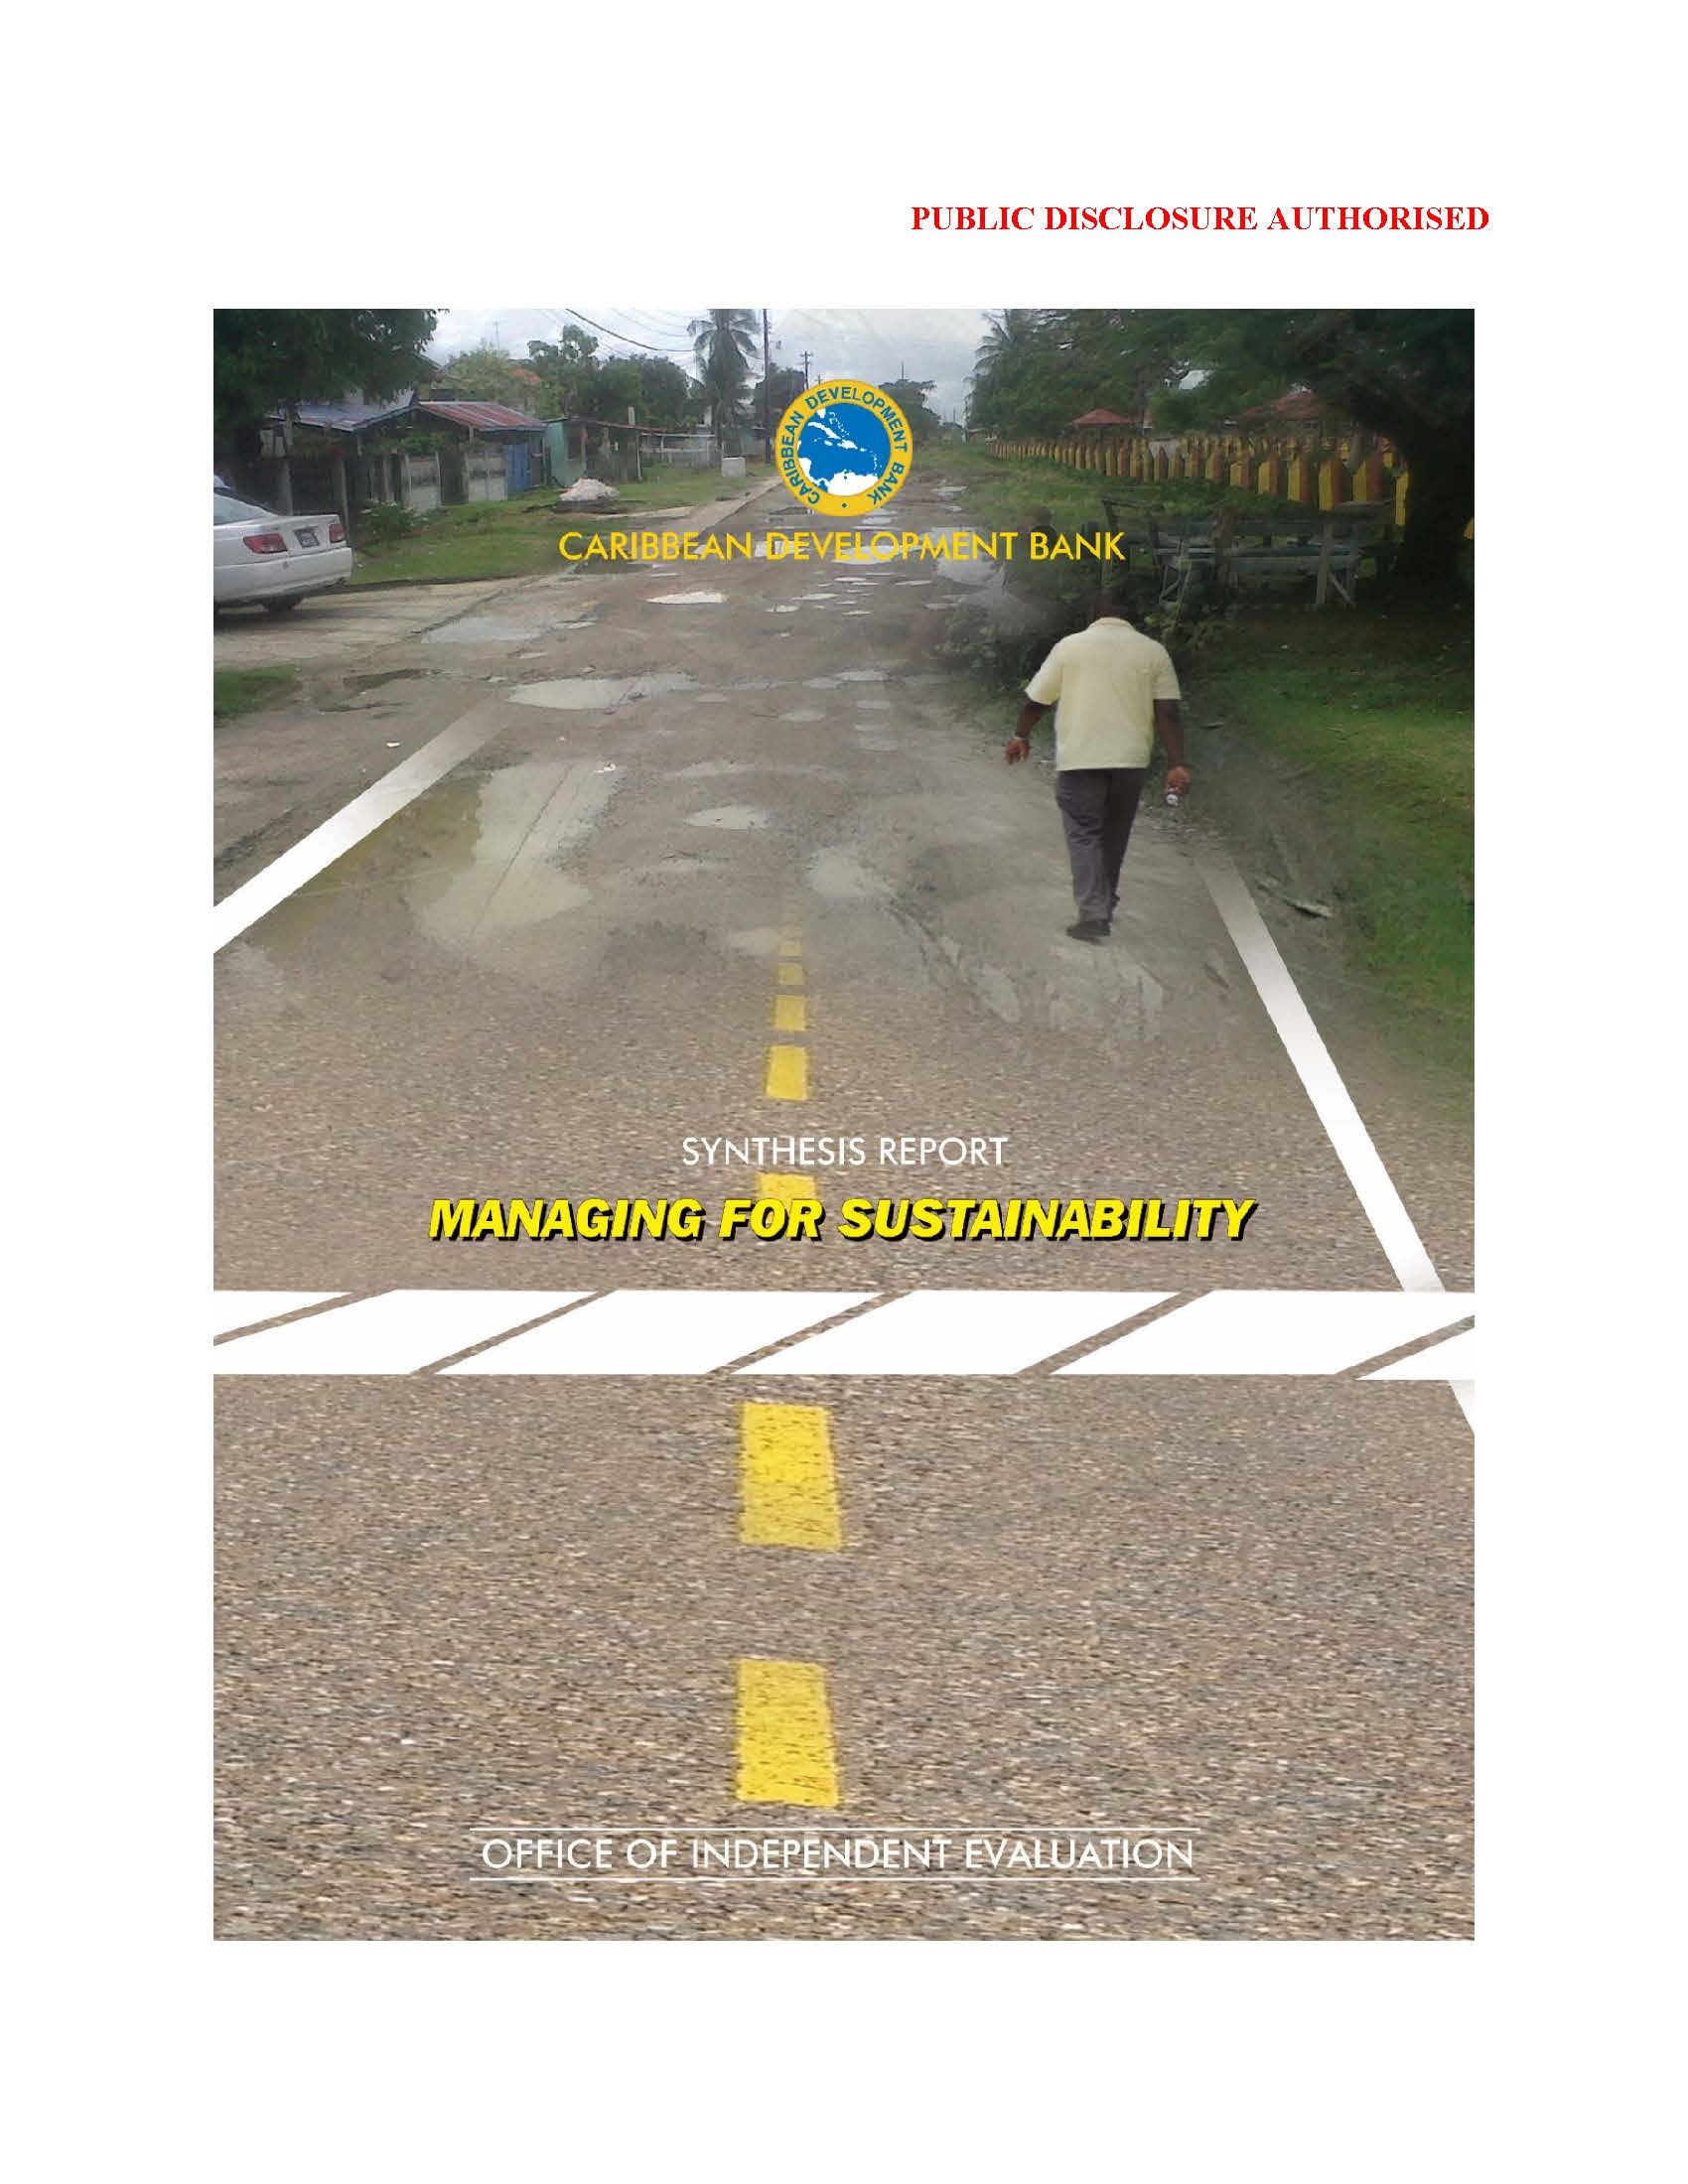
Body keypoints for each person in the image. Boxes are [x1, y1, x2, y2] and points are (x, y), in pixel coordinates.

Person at [1006, 589, 1192, 941]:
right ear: (1130, 617)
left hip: (1082, 758)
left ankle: (1093, 911)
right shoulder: (1153, 651)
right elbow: (1167, 711)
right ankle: (1104, 903)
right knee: (1114, 835)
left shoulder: (1071, 646)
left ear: (1092, 615)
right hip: (1130, 761)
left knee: (1084, 832)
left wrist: (1021, 735)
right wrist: (1177, 763)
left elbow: (1037, 700)